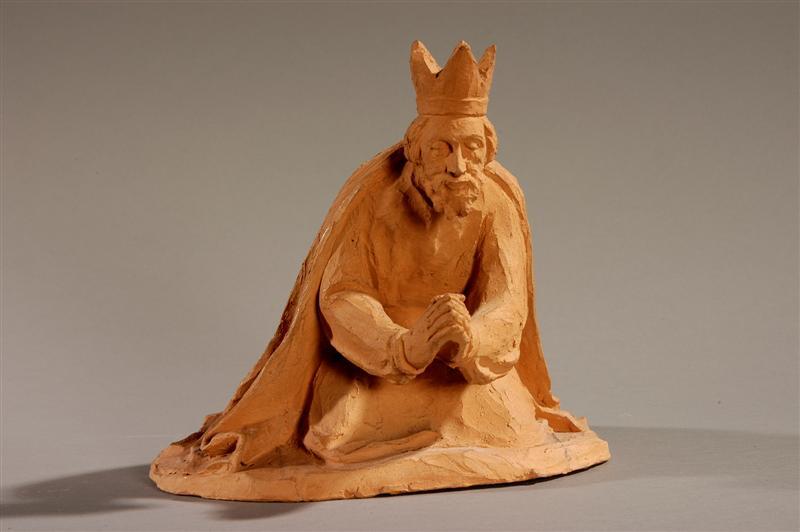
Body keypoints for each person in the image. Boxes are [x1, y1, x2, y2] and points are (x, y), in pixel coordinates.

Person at [151, 41, 609, 502]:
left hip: (459, 366)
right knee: (338, 431)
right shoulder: (374, 200)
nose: (458, 166)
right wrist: (402, 346)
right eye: (442, 149)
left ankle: (438, 443)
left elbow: (507, 300)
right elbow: (342, 294)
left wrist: (470, 338)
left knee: (507, 422)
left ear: (488, 151)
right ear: (415, 150)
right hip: (374, 365)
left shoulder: (497, 202)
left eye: (472, 149)